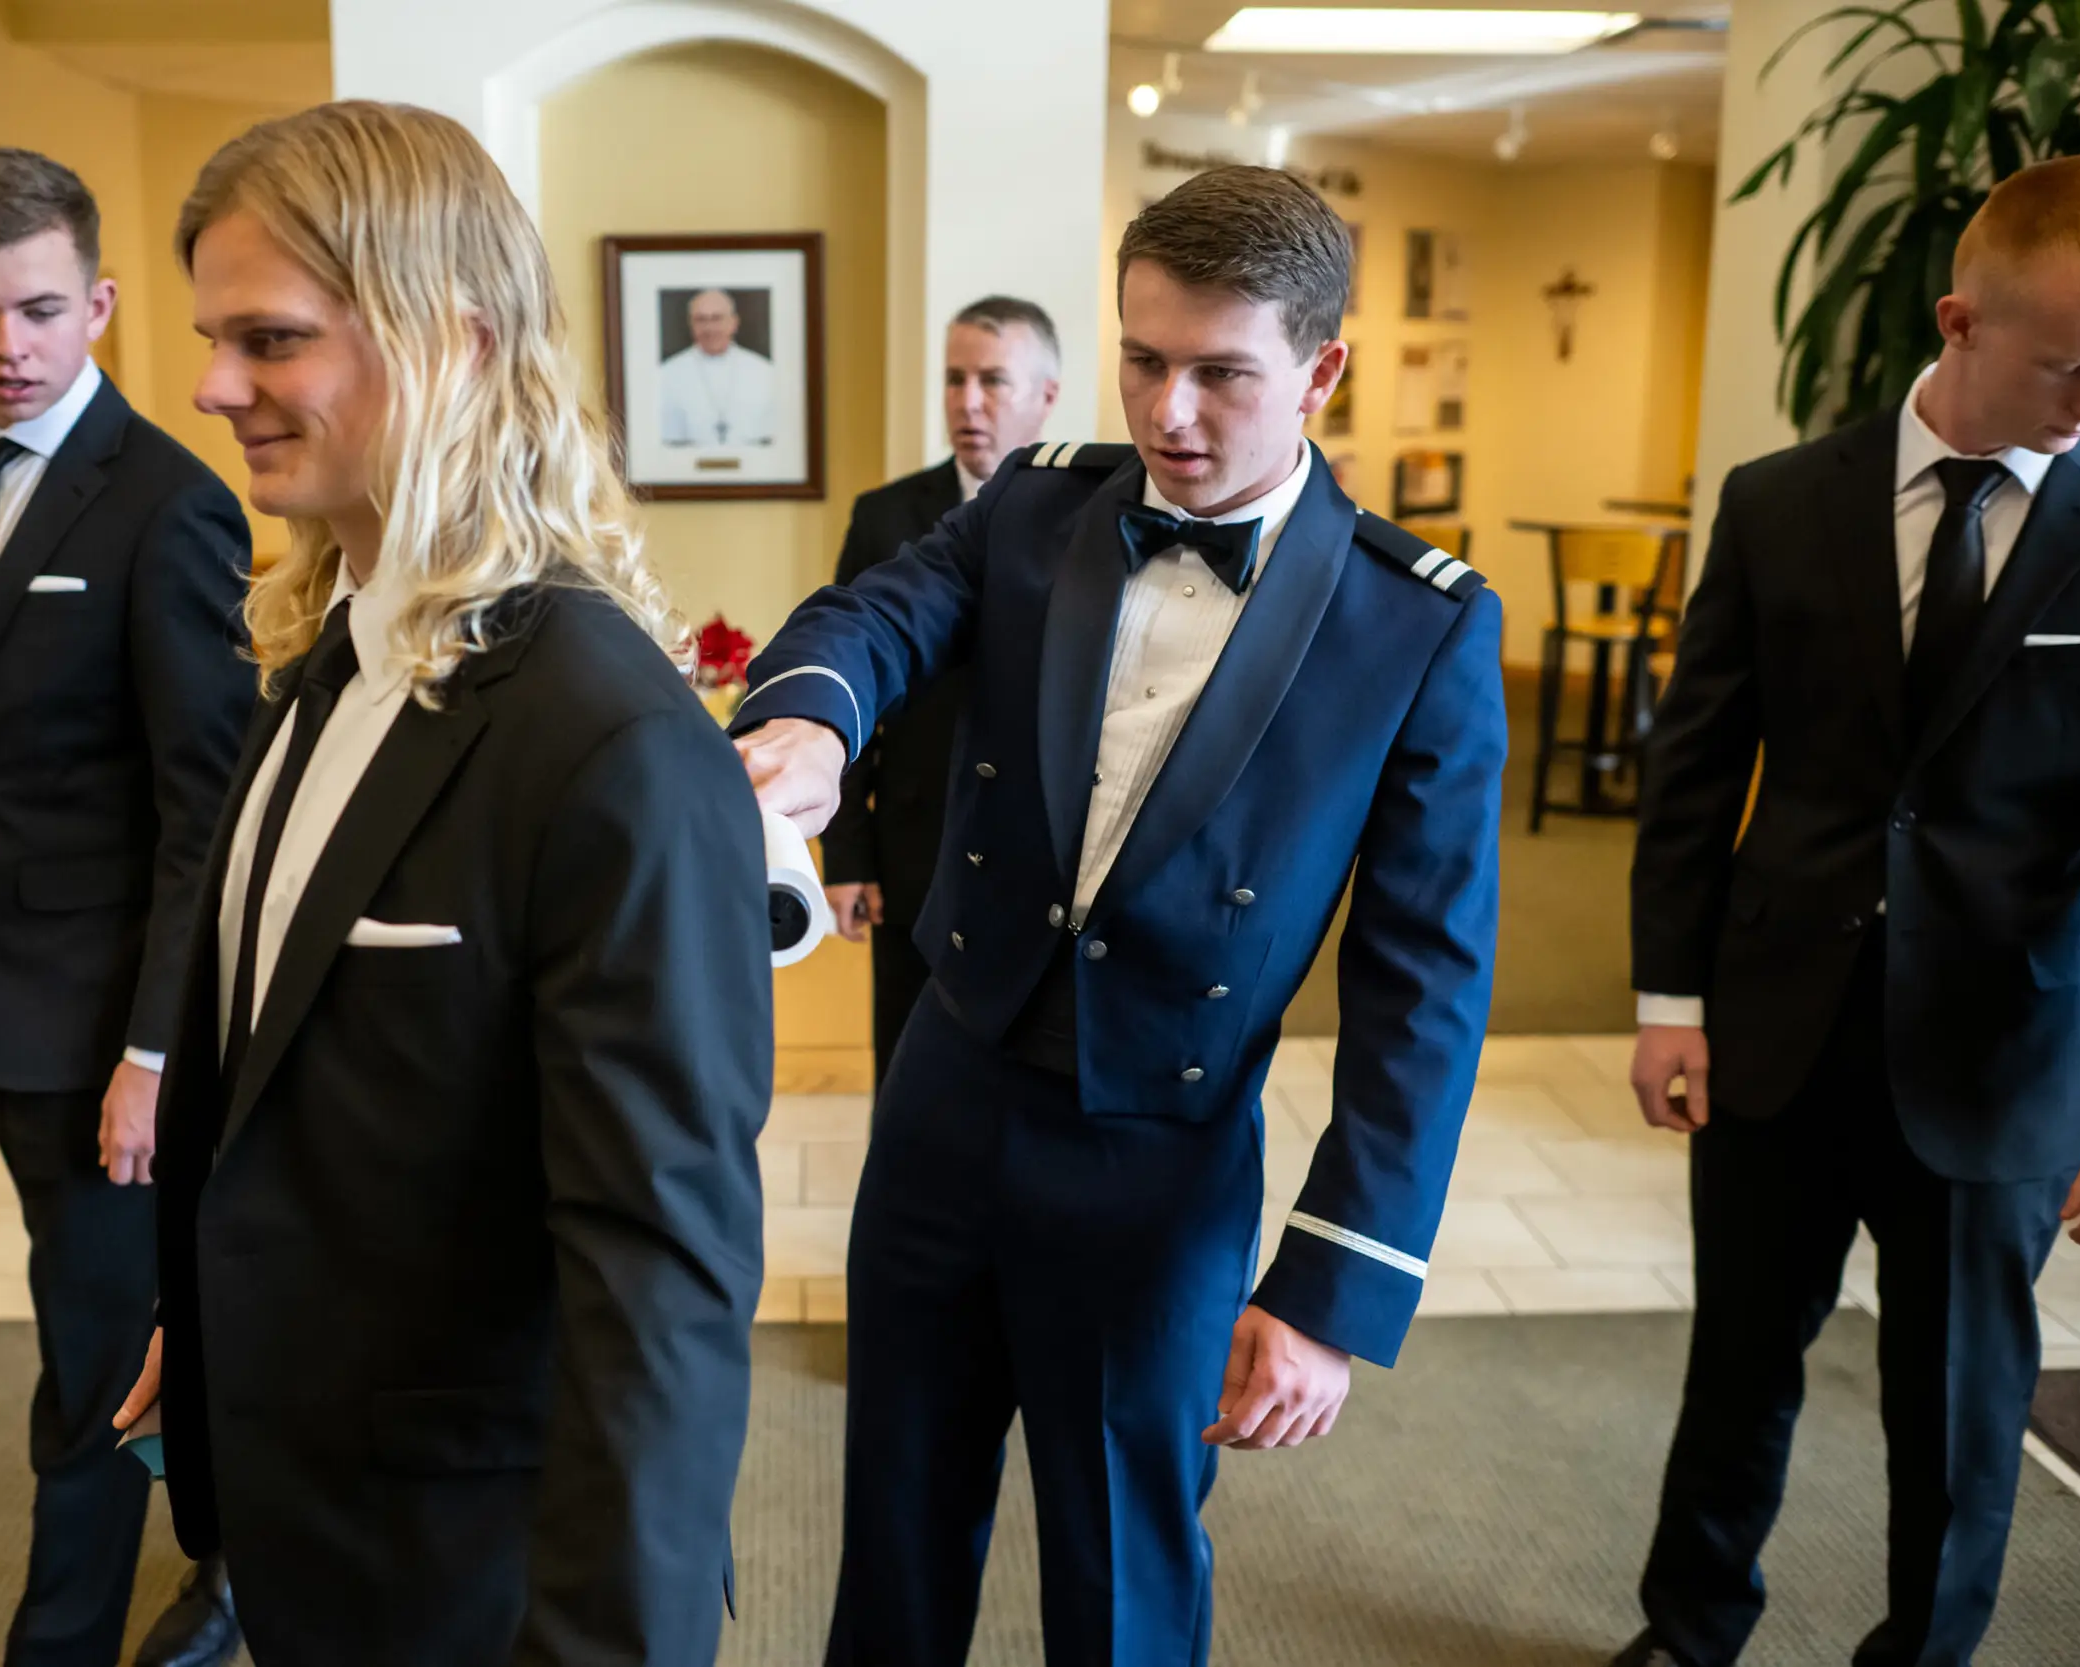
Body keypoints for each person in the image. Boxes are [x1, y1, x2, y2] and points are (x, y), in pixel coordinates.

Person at [734, 165, 1506, 1664]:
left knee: (1123, 1565)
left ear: (1322, 369)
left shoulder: (1417, 616)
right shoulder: (1037, 508)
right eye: (1145, 361)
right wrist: (818, 724)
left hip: (1160, 1154)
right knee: (895, 1519)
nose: (1170, 414)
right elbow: (875, 615)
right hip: (948, 1098)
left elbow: (1428, 977)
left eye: (1224, 373)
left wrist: (1332, 1286)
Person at [111, 100, 772, 1666]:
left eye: (269, 338)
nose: (210, 387)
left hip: (479, 1564)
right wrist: (218, 1322)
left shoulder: (605, 735)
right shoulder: (319, 648)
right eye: (214, 337)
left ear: (455, 339)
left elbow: (660, 1280)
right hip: (315, 1507)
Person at [1619, 154, 2080, 1667]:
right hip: (1777, 1023)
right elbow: (1695, 773)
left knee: (1960, 1402)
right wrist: (1667, 1002)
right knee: (1737, 1365)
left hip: (2004, 1050)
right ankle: (1688, 1631)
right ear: (1960, 320)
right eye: (2073, 363)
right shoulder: (1779, 502)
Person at [0, 147, 252, 1667]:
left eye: (37, 309)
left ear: (97, 303)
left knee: (88, 1351)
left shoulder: (171, 504)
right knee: (128, 1316)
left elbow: (202, 811)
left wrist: (154, 1053)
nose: (6, 348)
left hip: (115, 1036)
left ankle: (65, 1640)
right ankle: (236, 1554)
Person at [820, 294, 1062, 1085]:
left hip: (1046, 848)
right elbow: (853, 690)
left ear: (1046, 397)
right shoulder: (886, 515)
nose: (968, 402)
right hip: (915, 843)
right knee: (907, 1063)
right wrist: (847, 855)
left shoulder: (1098, 517)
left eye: (993, 380)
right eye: (955, 379)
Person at [657, 288, 776, 446]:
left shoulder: (764, 371)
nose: (709, 328)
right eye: (701, 319)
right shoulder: (666, 374)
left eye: (716, 318)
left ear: (734, 322)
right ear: (690, 324)